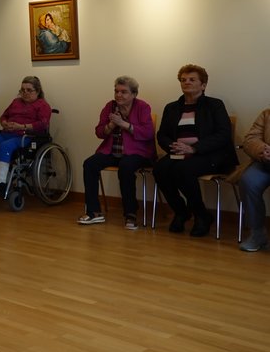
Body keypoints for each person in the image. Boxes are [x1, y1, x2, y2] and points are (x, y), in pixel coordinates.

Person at [154, 64, 236, 237]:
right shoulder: (172, 107)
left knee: (183, 170)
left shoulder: (215, 105)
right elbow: (162, 134)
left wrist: (194, 148)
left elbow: (223, 134)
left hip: (210, 155)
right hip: (179, 152)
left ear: (203, 85)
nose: (187, 83)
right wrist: (173, 146)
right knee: (160, 169)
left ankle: (201, 215)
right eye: (183, 80)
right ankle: (181, 211)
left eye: (192, 80)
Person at [77, 76, 155, 229]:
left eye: (124, 92)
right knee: (90, 164)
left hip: (137, 153)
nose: (119, 95)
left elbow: (148, 133)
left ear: (133, 94)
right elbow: (99, 132)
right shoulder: (109, 106)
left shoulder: (142, 107)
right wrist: (112, 124)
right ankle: (94, 212)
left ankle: (130, 214)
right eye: (116, 91)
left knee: (126, 167)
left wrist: (123, 124)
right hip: (112, 152)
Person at [0, 76, 52, 193]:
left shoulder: (42, 105)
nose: (25, 93)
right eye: (22, 90)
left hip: (26, 136)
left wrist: (22, 126)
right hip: (7, 133)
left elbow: (43, 124)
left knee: (4, 146)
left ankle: (1, 183)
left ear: (38, 91)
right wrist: (4, 123)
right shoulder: (16, 102)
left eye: (29, 90)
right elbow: (4, 116)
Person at [238, 108, 270, 252]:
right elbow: (250, 139)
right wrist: (263, 150)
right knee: (248, 181)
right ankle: (257, 234)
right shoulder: (267, 113)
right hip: (266, 162)